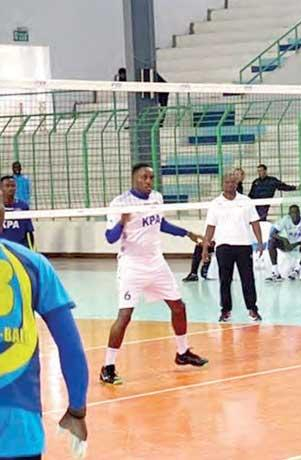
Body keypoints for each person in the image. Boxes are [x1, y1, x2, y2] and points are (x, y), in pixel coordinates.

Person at [100, 164, 208, 385]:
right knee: (125, 316)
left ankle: (182, 352)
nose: (148, 181)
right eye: (144, 177)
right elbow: (110, 238)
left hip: (156, 262)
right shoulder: (120, 203)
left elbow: (161, 224)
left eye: (151, 177)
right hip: (132, 265)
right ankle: (107, 366)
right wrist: (123, 220)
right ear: (134, 180)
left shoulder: (157, 198)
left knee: (179, 307)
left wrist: (188, 234)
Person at [0, 207, 89, 460]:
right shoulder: (33, 264)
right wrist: (77, 410)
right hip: (18, 425)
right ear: (3, 217)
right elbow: (71, 346)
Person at [201, 173, 264, 323]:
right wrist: (205, 247)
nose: (230, 185)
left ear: (237, 184)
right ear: (222, 184)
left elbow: (255, 222)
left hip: (243, 246)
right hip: (224, 246)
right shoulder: (216, 203)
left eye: (233, 182)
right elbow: (210, 227)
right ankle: (225, 310)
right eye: (227, 182)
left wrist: (260, 242)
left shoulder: (246, 201)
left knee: (247, 279)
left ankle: (252, 309)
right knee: (225, 280)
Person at [267, 204, 301, 281]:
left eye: (297, 212)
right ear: (289, 214)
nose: (295, 214)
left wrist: (297, 244)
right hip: (288, 245)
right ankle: (275, 272)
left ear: (299, 212)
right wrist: (284, 239)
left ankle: (296, 270)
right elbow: (272, 233)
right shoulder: (286, 219)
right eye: (292, 213)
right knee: (271, 241)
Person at [1, 175, 35, 248]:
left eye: (13, 186)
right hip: (2, 250)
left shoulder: (23, 206)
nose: (10, 188)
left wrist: (30, 250)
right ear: (1, 188)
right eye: (7, 186)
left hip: (19, 249)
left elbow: (29, 232)